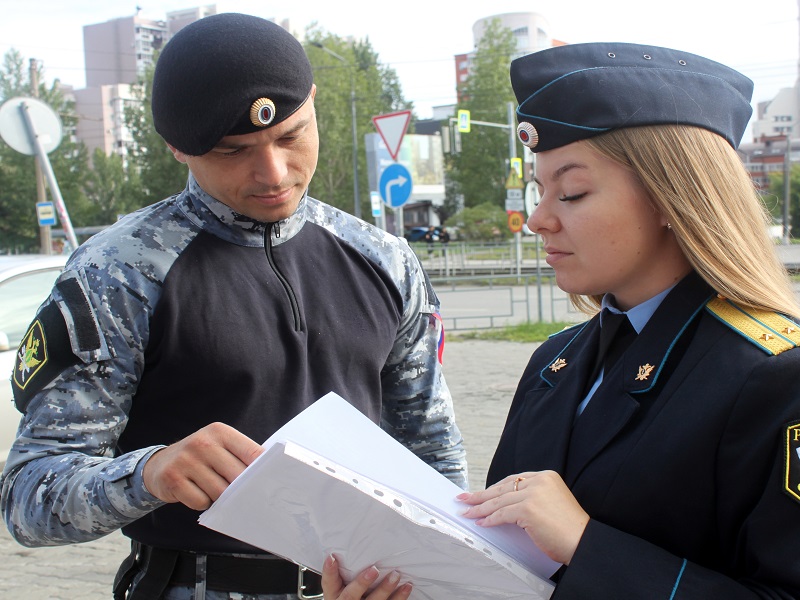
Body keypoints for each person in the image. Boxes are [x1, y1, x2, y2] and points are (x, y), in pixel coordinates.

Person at [0, 13, 466, 600]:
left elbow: (434, 452)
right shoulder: (118, 273)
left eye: (291, 136)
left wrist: (441, 577)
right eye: (233, 150)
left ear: (314, 103)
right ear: (176, 146)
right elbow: (28, 501)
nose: (273, 173)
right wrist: (148, 475)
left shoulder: (385, 259)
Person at [323, 42, 800, 599]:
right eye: (539, 189)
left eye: (571, 192)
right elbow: (498, 566)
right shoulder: (554, 362)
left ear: (674, 198)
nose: (538, 219)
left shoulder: (774, 377)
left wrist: (585, 544)